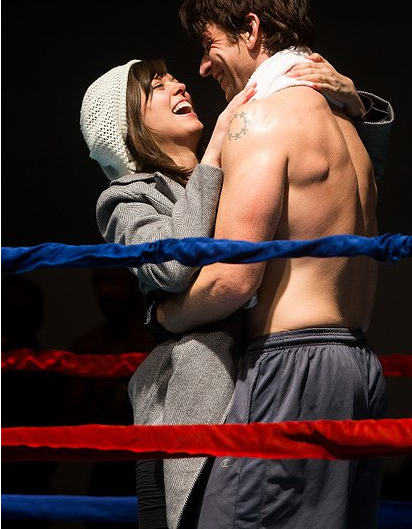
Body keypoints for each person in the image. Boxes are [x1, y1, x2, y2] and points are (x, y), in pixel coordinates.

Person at [80, 45, 392, 528]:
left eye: (170, 77)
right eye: (155, 87)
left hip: (267, 387)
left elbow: (345, 187)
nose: (178, 84)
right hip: (190, 414)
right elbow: (170, 266)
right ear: (130, 127)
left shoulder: (238, 168)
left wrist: (356, 107)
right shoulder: (124, 199)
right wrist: (215, 150)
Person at [153, 0, 389, 528]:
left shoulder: (259, 119)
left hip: (294, 368)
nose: (203, 67)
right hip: (358, 369)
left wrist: (166, 317)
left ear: (252, 29)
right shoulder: (349, 127)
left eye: (210, 45)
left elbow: (235, 276)